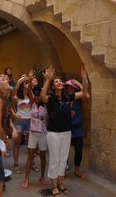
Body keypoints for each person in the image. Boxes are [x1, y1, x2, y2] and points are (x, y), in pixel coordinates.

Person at [40, 64, 89, 197]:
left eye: (60, 81)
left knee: (63, 159)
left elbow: (84, 93)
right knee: (55, 159)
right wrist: (48, 80)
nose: (59, 82)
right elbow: (42, 96)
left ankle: (60, 183)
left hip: (67, 132)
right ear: (53, 86)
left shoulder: (68, 97)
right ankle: (54, 186)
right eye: (56, 81)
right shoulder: (50, 99)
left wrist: (84, 80)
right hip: (53, 134)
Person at [21, 82, 48, 189]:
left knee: (42, 156)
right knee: (30, 156)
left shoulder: (46, 104)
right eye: (35, 95)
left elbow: (48, 118)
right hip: (32, 132)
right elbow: (29, 92)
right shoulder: (32, 103)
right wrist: (30, 78)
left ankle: (42, 177)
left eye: (38, 96)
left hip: (43, 132)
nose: (37, 97)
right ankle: (26, 179)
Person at [65, 79, 90, 179]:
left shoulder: (78, 98)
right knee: (65, 150)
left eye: (72, 88)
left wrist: (78, 83)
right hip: (66, 128)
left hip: (77, 128)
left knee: (79, 150)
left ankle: (77, 169)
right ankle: (63, 169)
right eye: (68, 87)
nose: (70, 89)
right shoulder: (64, 98)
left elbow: (87, 95)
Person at [11, 75, 32, 174]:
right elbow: (11, 109)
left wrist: (29, 80)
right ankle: (16, 164)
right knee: (17, 143)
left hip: (29, 122)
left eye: (28, 83)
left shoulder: (31, 95)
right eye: (26, 83)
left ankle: (31, 163)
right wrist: (15, 115)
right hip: (19, 122)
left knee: (30, 144)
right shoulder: (16, 97)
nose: (28, 84)